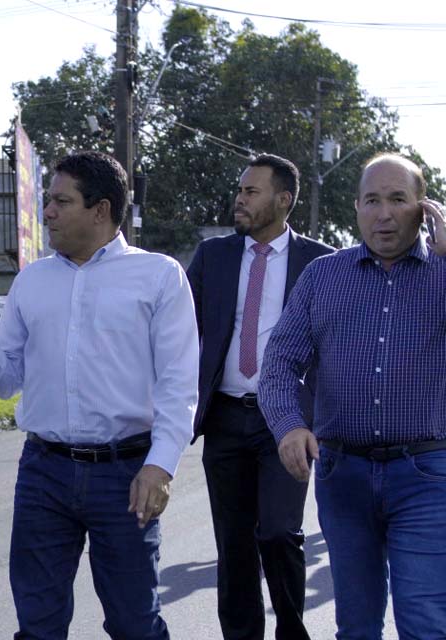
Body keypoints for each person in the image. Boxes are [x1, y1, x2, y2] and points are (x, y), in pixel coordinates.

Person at [0, 151, 199, 640]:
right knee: (38, 623)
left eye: (60, 201)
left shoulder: (158, 277)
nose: (46, 212)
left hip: (127, 474)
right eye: (48, 200)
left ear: (101, 209)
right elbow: (7, 380)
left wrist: (161, 466)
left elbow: (179, 384)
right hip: (44, 474)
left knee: (135, 623)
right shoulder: (32, 280)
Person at [259, 152, 446, 639]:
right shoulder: (323, 277)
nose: (384, 214)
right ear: (357, 208)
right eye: (372, 200)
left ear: (423, 209)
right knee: (356, 625)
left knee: (425, 622)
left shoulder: (444, 275)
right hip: (344, 478)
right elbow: (279, 362)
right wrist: (289, 426)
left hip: (426, 477)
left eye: (398, 199)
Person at [186, 154, 334, 640]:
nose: (240, 199)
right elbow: (181, 331)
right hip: (227, 417)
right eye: (240, 190)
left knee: (276, 532)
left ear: (283, 200)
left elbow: (332, 344)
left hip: (286, 422)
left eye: (252, 192)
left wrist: (315, 416)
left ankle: (292, 630)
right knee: (233, 547)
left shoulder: (321, 262)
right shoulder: (214, 257)